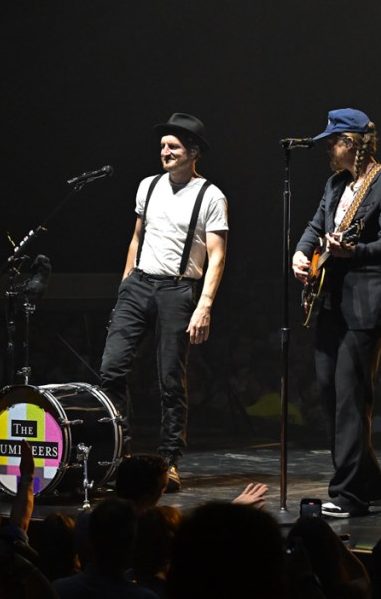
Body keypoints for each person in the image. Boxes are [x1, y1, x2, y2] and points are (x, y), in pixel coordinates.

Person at [99, 113, 228, 492]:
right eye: (162, 146)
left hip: (177, 289)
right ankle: (120, 452)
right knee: (111, 369)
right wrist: (125, 284)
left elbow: (218, 256)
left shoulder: (211, 195)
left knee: (170, 377)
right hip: (139, 285)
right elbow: (137, 237)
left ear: (193, 152)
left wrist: (204, 304)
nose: (165, 152)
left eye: (172, 146)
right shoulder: (148, 186)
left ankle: (169, 459)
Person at [292, 108, 381, 517]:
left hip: (365, 303)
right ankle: (370, 481)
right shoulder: (335, 183)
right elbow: (315, 223)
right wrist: (302, 251)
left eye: (335, 140)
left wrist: (353, 250)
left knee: (350, 398)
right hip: (330, 300)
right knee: (330, 393)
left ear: (355, 144)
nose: (329, 146)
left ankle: (348, 495)